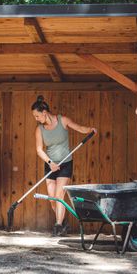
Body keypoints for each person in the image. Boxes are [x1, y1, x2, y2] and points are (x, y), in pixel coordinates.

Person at [32, 95, 97, 236]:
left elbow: (79, 128)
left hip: (65, 163)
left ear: (44, 113)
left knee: (59, 195)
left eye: (37, 116)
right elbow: (39, 150)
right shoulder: (39, 130)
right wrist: (50, 163)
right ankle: (63, 222)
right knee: (52, 198)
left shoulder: (63, 120)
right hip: (50, 165)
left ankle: (58, 225)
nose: (36, 119)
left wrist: (90, 130)